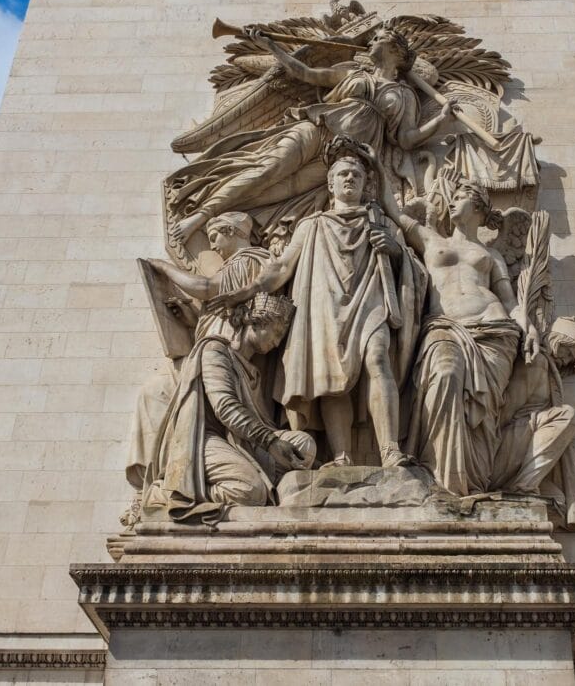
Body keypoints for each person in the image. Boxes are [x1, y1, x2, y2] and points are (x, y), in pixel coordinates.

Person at [215, 141, 423, 469]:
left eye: (356, 174)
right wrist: (246, 291)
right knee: (331, 379)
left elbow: (413, 270)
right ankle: (341, 456)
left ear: (366, 184)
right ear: (331, 184)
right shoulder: (311, 225)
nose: (349, 178)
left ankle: (390, 450)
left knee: (378, 358)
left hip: (370, 303)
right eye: (343, 174)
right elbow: (281, 268)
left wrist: (395, 252)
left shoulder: (381, 221)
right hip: (324, 307)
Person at [355, 142, 540, 496]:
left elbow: (509, 300)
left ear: (478, 207)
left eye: (460, 198)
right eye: (452, 198)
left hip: (494, 332)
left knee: (480, 411)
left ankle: (470, 481)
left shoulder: (491, 255)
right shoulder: (430, 239)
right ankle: (440, 474)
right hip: (444, 326)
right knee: (443, 375)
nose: (452, 202)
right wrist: (377, 165)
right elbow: (394, 210)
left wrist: (527, 325)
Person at [166, 26, 455, 245]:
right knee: (268, 169)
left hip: (343, 157)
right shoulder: (353, 74)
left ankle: (232, 224)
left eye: (377, 38)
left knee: (282, 190)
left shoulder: (405, 95)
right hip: (317, 129)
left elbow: (406, 139)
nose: (370, 42)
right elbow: (304, 73)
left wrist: (441, 121)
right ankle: (200, 216)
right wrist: (272, 47)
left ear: (395, 50)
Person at [124, 212, 270, 508]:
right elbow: (219, 313)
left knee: (158, 394)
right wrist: (192, 318)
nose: (213, 245)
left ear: (233, 231)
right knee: (155, 394)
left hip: (221, 356)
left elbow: (205, 288)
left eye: (215, 236)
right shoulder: (235, 266)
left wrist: (164, 267)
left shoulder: (248, 260)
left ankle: (161, 488)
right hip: (212, 352)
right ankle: (161, 481)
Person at [140, 292, 316, 524]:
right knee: (250, 491)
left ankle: (270, 481)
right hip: (204, 438)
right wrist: (271, 442)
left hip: (242, 441)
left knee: (304, 444)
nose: (277, 342)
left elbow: (261, 421)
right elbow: (225, 407)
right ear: (255, 322)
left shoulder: (253, 372)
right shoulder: (215, 350)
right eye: (276, 333)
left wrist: (279, 444)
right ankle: (168, 493)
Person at [489, 316, 575, 529]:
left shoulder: (546, 367)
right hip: (499, 446)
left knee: (557, 499)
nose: (566, 360)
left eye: (571, 358)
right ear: (556, 340)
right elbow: (506, 410)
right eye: (568, 352)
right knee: (565, 415)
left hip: (516, 443)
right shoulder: (537, 363)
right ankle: (522, 487)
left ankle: (522, 485)